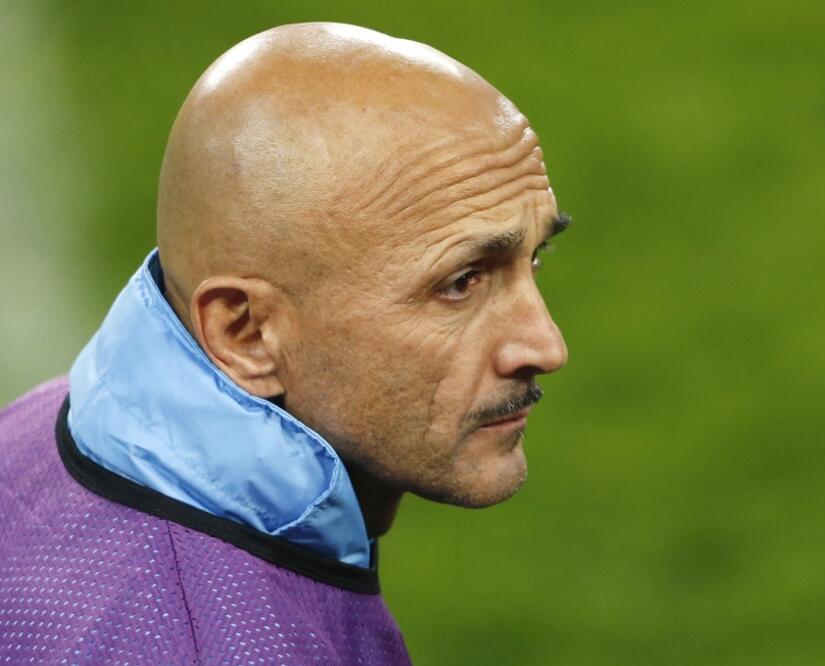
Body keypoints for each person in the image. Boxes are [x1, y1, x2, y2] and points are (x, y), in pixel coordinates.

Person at [0, 22, 569, 665]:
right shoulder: (219, 646)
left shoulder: (42, 427)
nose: (546, 346)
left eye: (535, 256)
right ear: (245, 334)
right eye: (461, 283)